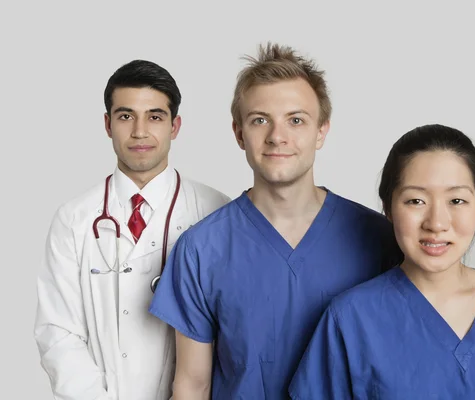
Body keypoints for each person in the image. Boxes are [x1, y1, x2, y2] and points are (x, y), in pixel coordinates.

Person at [148, 42, 402, 399]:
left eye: (296, 120)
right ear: (239, 133)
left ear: (321, 131)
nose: (277, 136)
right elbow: (192, 384)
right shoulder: (202, 249)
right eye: (260, 120)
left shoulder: (378, 239)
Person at [288, 123, 475, 399]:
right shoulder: (351, 320)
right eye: (415, 201)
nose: (437, 222)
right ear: (388, 209)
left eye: (456, 201)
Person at [33, 60, 230, 400]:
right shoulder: (74, 219)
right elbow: (58, 332)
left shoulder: (217, 213)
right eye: (126, 116)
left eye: (155, 116)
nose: (140, 131)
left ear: (175, 126)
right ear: (108, 125)